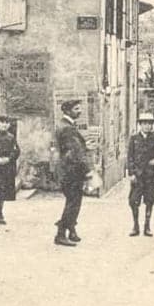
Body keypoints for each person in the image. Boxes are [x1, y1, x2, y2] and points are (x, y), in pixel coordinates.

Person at [54, 99, 93, 247]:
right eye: (76, 109)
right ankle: (60, 233)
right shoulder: (68, 128)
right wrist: (87, 171)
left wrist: (84, 146)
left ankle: (71, 231)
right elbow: (74, 153)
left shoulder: (65, 125)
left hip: (67, 171)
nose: (80, 111)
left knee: (73, 201)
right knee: (73, 203)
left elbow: (72, 148)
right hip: (72, 172)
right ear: (68, 111)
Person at [127, 112, 154, 237]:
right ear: (140, 125)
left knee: (149, 200)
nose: (147, 126)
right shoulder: (134, 138)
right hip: (137, 175)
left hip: (150, 175)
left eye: (149, 124)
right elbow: (130, 157)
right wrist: (131, 173)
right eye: (144, 124)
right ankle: (135, 226)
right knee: (133, 201)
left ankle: (147, 226)